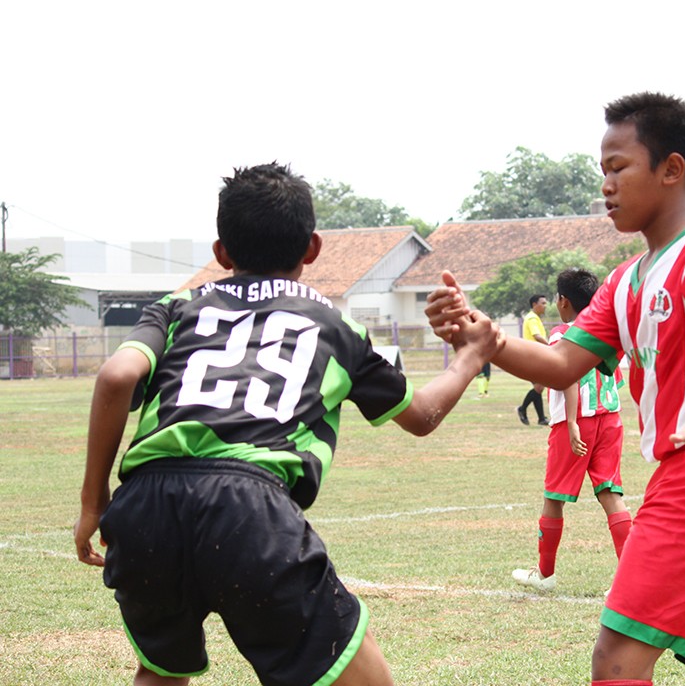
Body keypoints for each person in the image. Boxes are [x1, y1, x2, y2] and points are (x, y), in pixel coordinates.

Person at [73, 163, 500, 686]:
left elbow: (117, 377)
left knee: (160, 672)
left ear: (221, 253)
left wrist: (94, 503)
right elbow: (421, 416)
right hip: (247, 508)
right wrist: (469, 357)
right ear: (313, 248)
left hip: (145, 508)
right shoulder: (334, 325)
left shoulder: (178, 306)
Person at [427, 92, 685, 686]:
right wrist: (483, 337)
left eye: (619, 167)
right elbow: (562, 363)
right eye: (603, 171)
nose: (607, 185)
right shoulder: (626, 280)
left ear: (672, 170)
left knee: (616, 661)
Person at [511, 267, 632, 592]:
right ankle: (630, 579)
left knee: (554, 497)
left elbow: (567, 376)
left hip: (574, 423)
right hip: (611, 419)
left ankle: (545, 575)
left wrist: (575, 423)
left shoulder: (563, 332)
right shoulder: (607, 331)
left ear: (563, 301)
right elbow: (616, 376)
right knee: (610, 493)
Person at [516, 294, 550, 425]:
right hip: (532, 357)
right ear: (534, 304)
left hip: (534, 356)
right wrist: (551, 346)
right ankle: (522, 409)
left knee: (538, 388)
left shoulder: (534, 318)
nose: (545, 306)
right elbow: (537, 336)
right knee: (540, 386)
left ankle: (541, 418)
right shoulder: (532, 319)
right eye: (543, 303)